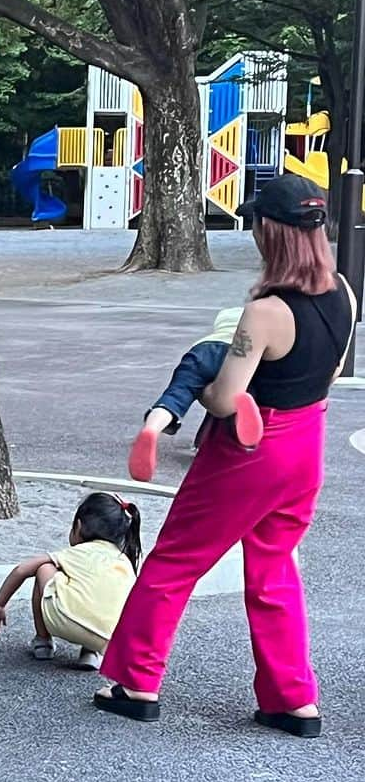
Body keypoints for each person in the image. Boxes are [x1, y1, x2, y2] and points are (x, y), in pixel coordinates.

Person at [97, 173, 356, 736]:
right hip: (308, 442)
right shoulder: (343, 290)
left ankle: (136, 681)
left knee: (174, 561)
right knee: (274, 569)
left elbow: (223, 399)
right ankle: (292, 700)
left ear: (270, 231)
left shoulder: (265, 312)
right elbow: (332, 372)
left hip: (251, 449)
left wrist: (211, 373)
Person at [0, 492, 142, 670]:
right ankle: (90, 653)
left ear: (78, 525)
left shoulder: (77, 552)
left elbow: (22, 569)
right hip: (109, 638)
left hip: (64, 620)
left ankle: (43, 642)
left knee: (44, 568)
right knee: (99, 593)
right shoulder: (124, 562)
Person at [127, 307, 265, 481]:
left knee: (176, 395)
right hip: (238, 354)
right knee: (241, 388)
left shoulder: (226, 314)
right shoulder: (258, 318)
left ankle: (152, 428)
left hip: (202, 349)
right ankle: (242, 409)